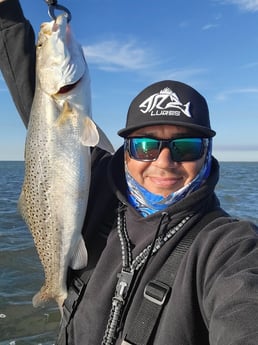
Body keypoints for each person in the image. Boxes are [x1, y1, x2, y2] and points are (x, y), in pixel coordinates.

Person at [1, 1, 258, 345]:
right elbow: (39, 108)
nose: (164, 161)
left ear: (208, 152)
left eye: (186, 147)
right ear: (125, 151)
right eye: (145, 146)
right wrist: (7, 16)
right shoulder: (99, 186)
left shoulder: (228, 247)